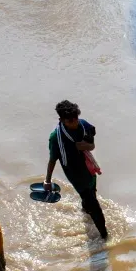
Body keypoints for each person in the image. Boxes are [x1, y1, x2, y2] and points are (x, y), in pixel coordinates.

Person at [44, 99, 108, 240]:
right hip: (75, 174)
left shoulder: (83, 125)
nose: (74, 123)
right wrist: (47, 181)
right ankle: (105, 237)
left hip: (89, 168)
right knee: (94, 205)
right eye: (70, 121)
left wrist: (86, 145)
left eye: (76, 119)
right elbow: (52, 160)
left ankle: (85, 210)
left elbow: (92, 142)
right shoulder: (56, 138)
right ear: (61, 120)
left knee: (91, 194)